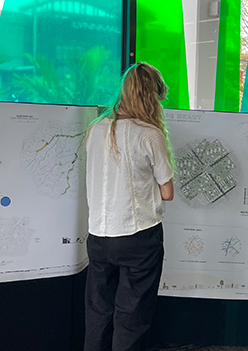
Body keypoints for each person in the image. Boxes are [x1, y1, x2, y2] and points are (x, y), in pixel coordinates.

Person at [84, 62, 175, 351]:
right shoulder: (149, 134)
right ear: (151, 97)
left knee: (98, 314)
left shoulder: (96, 128)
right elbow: (168, 191)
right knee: (132, 316)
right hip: (139, 236)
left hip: (98, 237)